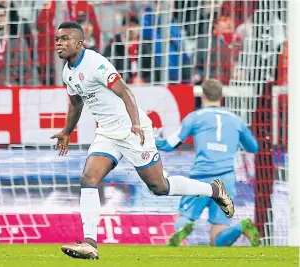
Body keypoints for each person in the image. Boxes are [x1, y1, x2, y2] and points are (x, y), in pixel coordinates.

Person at [51, 22, 234, 260]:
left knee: (159, 187)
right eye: (57, 39)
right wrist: (67, 131)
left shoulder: (95, 63)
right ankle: (90, 243)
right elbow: (76, 104)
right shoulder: (68, 71)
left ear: (79, 42)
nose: (59, 43)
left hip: (131, 129)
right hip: (107, 133)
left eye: (65, 38)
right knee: (88, 178)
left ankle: (213, 190)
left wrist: (135, 123)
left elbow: (126, 92)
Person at [156, 79, 260, 247]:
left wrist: (153, 140)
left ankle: (186, 227)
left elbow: (169, 145)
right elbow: (253, 147)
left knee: (184, 217)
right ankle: (242, 227)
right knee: (217, 239)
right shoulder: (236, 120)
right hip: (226, 180)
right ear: (222, 96)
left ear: (202, 96)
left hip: (201, 177)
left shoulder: (195, 117)